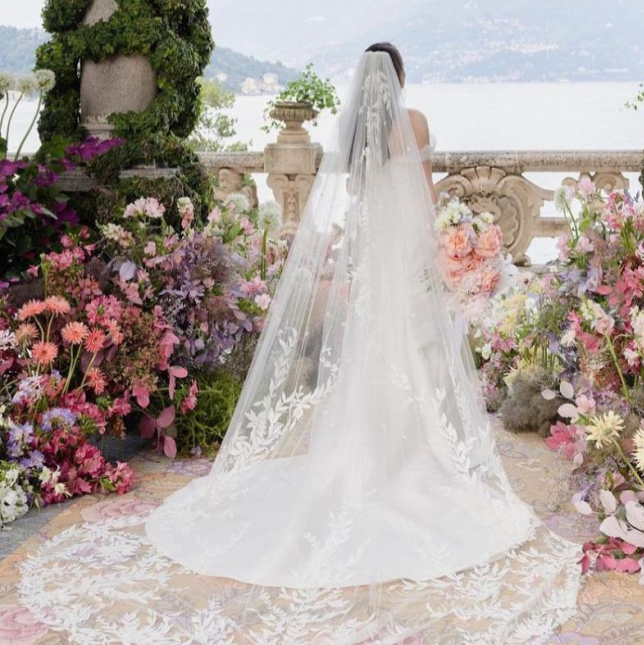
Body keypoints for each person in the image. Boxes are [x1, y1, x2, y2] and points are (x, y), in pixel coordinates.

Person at [24, 45, 581, 644]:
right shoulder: (413, 122)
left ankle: (370, 459)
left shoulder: (358, 134)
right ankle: (414, 462)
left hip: (373, 258)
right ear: (399, 80)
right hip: (407, 255)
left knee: (375, 356)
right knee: (415, 358)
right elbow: (424, 201)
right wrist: (454, 246)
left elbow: (365, 201)